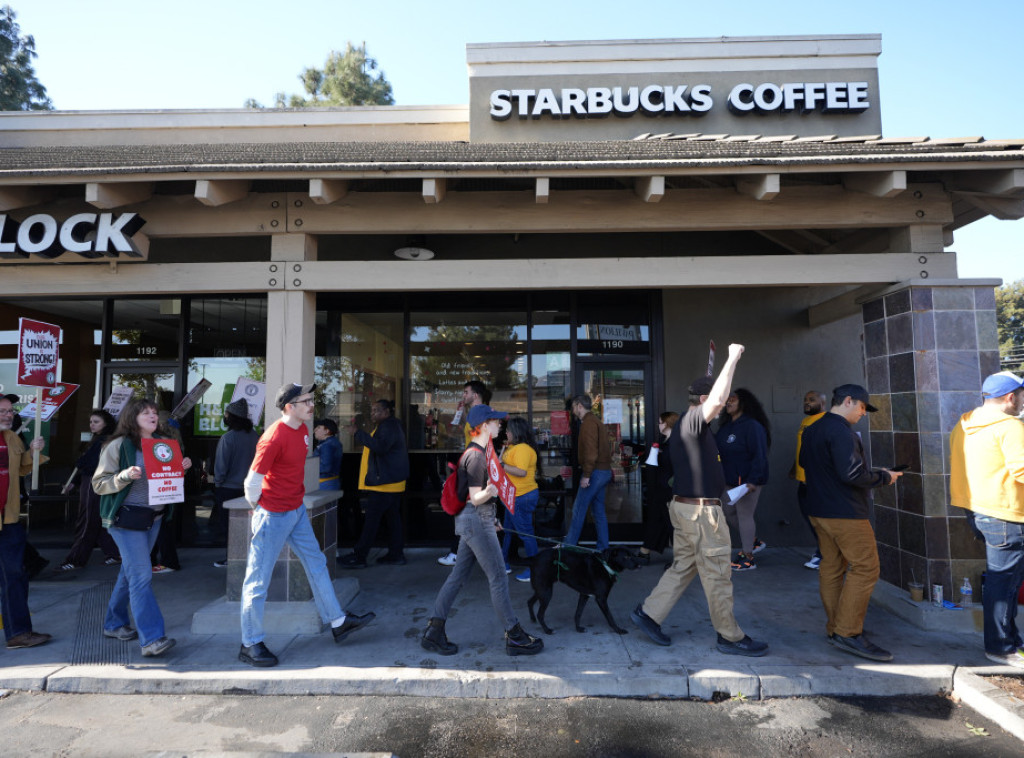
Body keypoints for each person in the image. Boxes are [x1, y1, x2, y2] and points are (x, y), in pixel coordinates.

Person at [630, 345, 768, 657]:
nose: (722, 408)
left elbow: (717, 397)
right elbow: (718, 398)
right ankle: (730, 636)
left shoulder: (690, 425)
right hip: (701, 514)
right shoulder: (693, 421)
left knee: (685, 566)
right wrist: (733, 358)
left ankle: (648, 614)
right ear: (704, 401)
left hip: (688, 510)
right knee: (718, 573)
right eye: (717, 404)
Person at [239, 382, 374, 667]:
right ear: (289, 406)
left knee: (317, 564)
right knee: (258, 582)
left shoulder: (302, 430)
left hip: (296, 511)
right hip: (273, 515)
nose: (312, 405)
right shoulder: (273, 437)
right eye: (306, 401)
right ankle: (250, 643)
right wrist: (260, 509)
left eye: (312, 399)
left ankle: (338, 622)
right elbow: (251, 483)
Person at [421, 404, 543, 657]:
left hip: (474, 521)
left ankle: (434, 630)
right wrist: (492, 491)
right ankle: (515, 635)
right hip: (476, 521)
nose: (500, 425)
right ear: (484, 425)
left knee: (458, 577)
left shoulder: (478, 452)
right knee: (498, 577)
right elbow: (475, 497)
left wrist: (493, 514)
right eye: (496, 422)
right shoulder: (476, 455)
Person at [800, 383, 901, 663]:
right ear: (848, 401)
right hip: (845, 513)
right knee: (867, 568)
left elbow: (806, 463)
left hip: (818, 510)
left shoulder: (812, 428)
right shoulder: (841, 431)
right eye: (862, 407)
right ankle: (847, 632)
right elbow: (852, 474)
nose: (864, 413)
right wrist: (883, 477)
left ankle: (836, 628)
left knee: (831, 568)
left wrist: (870, 473)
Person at [92, 397, 188, 657]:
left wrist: (181, 469)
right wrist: (124, 476)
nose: (152, 416)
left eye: (154, 412)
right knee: (142, 576)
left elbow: (165, 479)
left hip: (153, 519)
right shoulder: (118, 445)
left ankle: (114, 624)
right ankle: (152, 639)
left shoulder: (164, 444)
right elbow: (99, 484)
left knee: (130, 573)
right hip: (126, 520)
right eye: (145, 412)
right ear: (131, 417)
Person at [949, 371, 1024, 669]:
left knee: (1004, 579)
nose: (1022, 402)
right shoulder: (1010, 426)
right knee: (1004, 583)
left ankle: (1011, 639)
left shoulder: (964, 423)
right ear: (1009, 397)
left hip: (977, 510)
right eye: (1021, 395)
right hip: (1005, 513)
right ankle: (1001, 648)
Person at [0, 393, 52, 649]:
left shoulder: (11, 438)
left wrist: (33, 452)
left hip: (8, 520)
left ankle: (18, 633)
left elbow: (21, 469)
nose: (8, 415)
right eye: (2, 410)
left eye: (10, 410)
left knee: (16, 575)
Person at [338, 399, 409, 568]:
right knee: (393, 521)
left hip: (385, 485)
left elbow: (381, 447)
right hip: (389, 483)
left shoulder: (389, 426)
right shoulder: (387, 425)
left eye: (376, 410)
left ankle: (360, 556)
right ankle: (396, 554)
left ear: (386, 412)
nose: (372, 414)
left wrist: (358, 433)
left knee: (371, 521)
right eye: (372, 410)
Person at [58, 409, 120, 571]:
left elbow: (93, 465)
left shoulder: (105, 441)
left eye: (96, 422)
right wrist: (75, 482)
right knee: (97, 521)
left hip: (95, 484)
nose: (92, 425)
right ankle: (114, 553)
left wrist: (81, 462)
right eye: (91, 422)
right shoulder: (97, 439)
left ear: (106, 423)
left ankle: (76, 559)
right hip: (91, 483)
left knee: (87, 521)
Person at [716, 388, 771, 571]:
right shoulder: (726, 427)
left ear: (744, 403)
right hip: (729, 480)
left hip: (748, 482)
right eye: (727, 400)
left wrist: (753, 481)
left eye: (733, 399)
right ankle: (752, 541)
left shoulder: (752, 426)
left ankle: (748, 557)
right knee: (727, 512)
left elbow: (760, 455)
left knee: (744, 515)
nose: (728, 403)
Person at [438, 380, 491, 567]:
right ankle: (463, 554)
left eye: (466, 392)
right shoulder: (475, 414)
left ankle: (459, 553)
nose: (463, 395)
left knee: (466, 510)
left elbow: (482, 441)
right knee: (471, 512)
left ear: (475, 395)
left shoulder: (480, 413)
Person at [211, 399, 258, 568]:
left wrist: (217, 483)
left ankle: (232, 559)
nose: (224, 416)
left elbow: (221, 465)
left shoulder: (228, 438)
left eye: (226, 414)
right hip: (252, 490)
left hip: (228, 489)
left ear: (232, 417)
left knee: (229, 528)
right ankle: (249, 559)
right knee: (249, 527)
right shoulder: (256, 436)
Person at [564, 394, 613, 552]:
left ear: (579, 406)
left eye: (573, 407)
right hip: (603, 471)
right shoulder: (596, 421)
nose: (572, 411)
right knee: (598, 511)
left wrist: (586, 475)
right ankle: (603, 549)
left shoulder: (588, 424)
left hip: (595, 473)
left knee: (578, 509)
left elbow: (591, 453)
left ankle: (568, 549)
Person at [789, 390, 827, 570]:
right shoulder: (805, 421)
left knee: (820, 521)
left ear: (823, 402)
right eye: (805, 400)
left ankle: (824, 555)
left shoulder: (825, 421)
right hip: (802, 480)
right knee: (811, 520)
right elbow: (802, 448)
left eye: (812, 400)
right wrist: (794, 468)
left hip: (816, 482)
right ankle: (822, 552)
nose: (807, 402)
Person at [500, 416, 541, 583]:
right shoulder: (515, 447)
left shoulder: (523, 449)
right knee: (508, 531)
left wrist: (502, 465)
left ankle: (534, 569)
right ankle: (503, 563)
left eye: (508, 430)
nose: (506, 432)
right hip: (513, 496)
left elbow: (521, 471)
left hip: (521, 496)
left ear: (515, 432)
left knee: (526, 534)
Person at [637, 411, 679, 565]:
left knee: (671, 523)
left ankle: (680, 559)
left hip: (671, 489)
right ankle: (644, 551)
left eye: (660, 422)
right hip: (661, 487)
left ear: (667, 423)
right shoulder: (663, 440)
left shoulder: (676, 442)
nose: (658, 425)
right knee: (656, 518)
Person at [313, 418, 343, 490]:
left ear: (327, 431)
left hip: (324, 483)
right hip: (332, 482)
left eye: (319, 427)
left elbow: (326, 467)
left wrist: (309, 469)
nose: (315, 430)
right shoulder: (334, 442)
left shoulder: (326, 445)